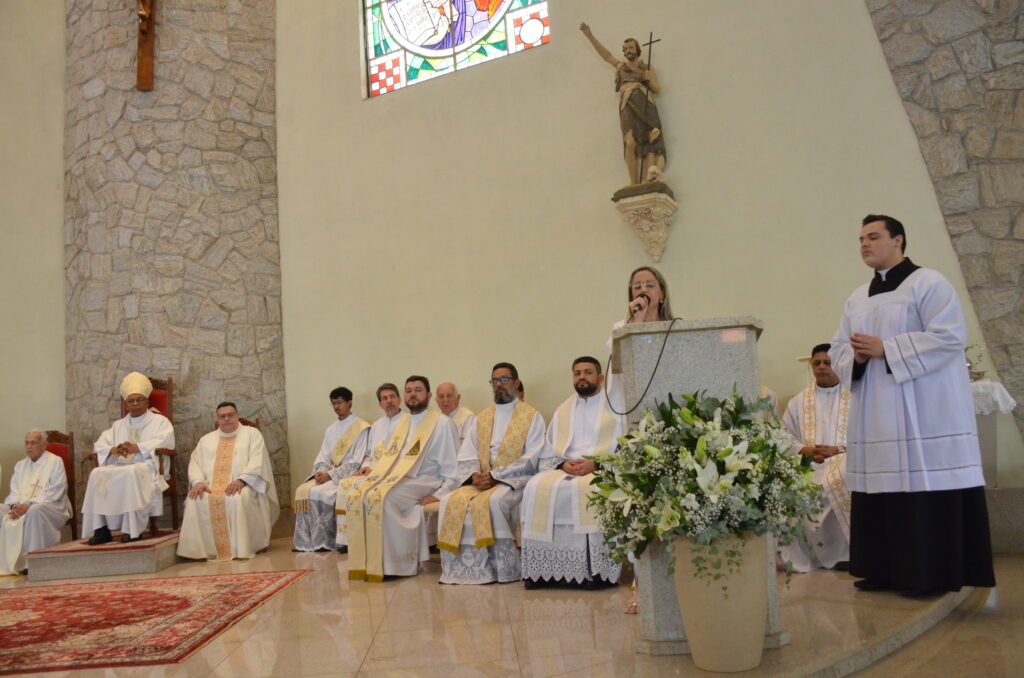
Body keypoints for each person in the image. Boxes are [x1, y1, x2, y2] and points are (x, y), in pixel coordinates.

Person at [830, 214, 995, 595]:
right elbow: (838, 347)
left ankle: (928, 574)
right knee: (880, 490)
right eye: (860, 240)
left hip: (922, 409)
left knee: (922, 489)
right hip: (876, 413)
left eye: (873, 237)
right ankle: (882, 569)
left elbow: (950, 337)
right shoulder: (857, 297)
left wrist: (886, 349)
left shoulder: (929, 284)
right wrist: (854, 357)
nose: (865, 245)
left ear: (898, 240)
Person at [342, 376, 460, 581]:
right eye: (409, 390)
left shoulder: (442, 423)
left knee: (384, 499)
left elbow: (453, 468)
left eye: (418, 390)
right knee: (357, 494)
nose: (413, 394)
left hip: (426, 479)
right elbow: (389, 456)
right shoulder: (402, 423)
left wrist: (440, 494)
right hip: (397, 478)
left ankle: (396, 564)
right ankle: (370, 563)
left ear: (429, 396)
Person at [438, 362, 546, 584]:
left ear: (516, 383)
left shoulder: (531, 416)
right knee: (448, 500)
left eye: (504, 380)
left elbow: (533, 456)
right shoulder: (483, 417)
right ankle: (459, 570)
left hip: (514, 480)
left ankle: (503, 569)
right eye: (494, 381)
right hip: (481, 479)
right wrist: (474, 475)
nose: (499, 385)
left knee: (494, 502)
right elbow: (467, 452)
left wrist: (497, 476)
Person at [521, 357, 624, 588]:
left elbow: (624, 449)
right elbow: (549, 450)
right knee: (535, 486)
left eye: (587, 372)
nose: (582, 377)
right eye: (577, 373)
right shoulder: (563, 409)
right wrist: (562, 464)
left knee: (590, 488)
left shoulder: (615, 409)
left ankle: (595, 572)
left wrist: (596, 465)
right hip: (567, 467)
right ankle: (541, 572)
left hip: (599, 468)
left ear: (600, 378)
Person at [779, 344, 852, 572]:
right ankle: (811, 555)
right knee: (793, 482)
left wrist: (838, 449)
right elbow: (783, 439)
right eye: (817, 363)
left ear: (838, 365)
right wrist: (805, 450)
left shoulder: (856, 396)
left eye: (827, 363)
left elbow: (870, 437)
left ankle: (848, 553)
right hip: (809, 463)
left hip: (845, 458)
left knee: (840, 477)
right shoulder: (798, 402)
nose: (821, 367)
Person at [177, 402, 279, 561]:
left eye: (230, 415)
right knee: (195, 499)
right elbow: (195, 462)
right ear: (217, 419)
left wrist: (242, 480)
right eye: (222, 416)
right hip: (211, 487)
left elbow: (257, 461)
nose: (227, 419)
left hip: (244, 484)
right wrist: (198, 482)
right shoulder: (206, 440)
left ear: (237, 415)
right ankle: (200, 551)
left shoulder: (252, 434)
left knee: (238, 498)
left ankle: (241, 548)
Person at [81, 372, 174, 544]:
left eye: (139, 399)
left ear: (147, 401)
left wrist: (137, 447)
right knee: (96, 473)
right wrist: (113, 449)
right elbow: (100, 444)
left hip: (147, 465)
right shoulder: (119, 425)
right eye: (131, 401)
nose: (136, 404)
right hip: (120, 465)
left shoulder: (160, 422)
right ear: (126, 404)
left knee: (131, 473)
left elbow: (167, 441)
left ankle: (132, 530)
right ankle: (101, 529)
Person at [579, 22, 667, 184]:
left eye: (631, 48)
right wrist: (589, 35)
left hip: (646, 106)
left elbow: (657, 88)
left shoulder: (647, 68)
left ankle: (650, 180)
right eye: (625, 49)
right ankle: (633, 183)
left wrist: (649, 80)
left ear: (637, 50)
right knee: (630, 142)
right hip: (628, 106)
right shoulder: (621, 67)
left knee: (650, 140)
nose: (627, 52)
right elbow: (606, 56)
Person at [293, 387, 371, 552]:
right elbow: (324, 456)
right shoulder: (331, 429)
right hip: (330, 474)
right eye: (333, 403)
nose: (336, 407)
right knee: (305, 491)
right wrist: (321, 472)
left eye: (340, 402)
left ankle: (328, 540)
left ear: (349, 402)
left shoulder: (362, 427)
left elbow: (357, 461)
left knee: (321, 493)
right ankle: (310, 541)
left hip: (348, 475)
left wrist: (330, 475)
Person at [335, 383, 404, 552]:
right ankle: (348, 539)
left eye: (392, 397)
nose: (389, 402)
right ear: (380, 404)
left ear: (399, 399)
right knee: (346, 484)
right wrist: (366, 466)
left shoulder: (408, 422)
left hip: (395, 472)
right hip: (374, 472)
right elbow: (369, 454)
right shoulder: (377, 426)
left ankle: (376, 537)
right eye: (384, 399)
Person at [0, 430, 72, 575]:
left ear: (44, 445)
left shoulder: (55, 461)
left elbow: (56, 491)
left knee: (34, 511)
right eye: (26, 443)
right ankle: (7, 562)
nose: (28, 447)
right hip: (22, 506)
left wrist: (29, 505)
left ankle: (32, 561)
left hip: (51, 507)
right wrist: (14, 506)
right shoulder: (20, 465)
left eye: (33, 443)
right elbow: (14, 491)